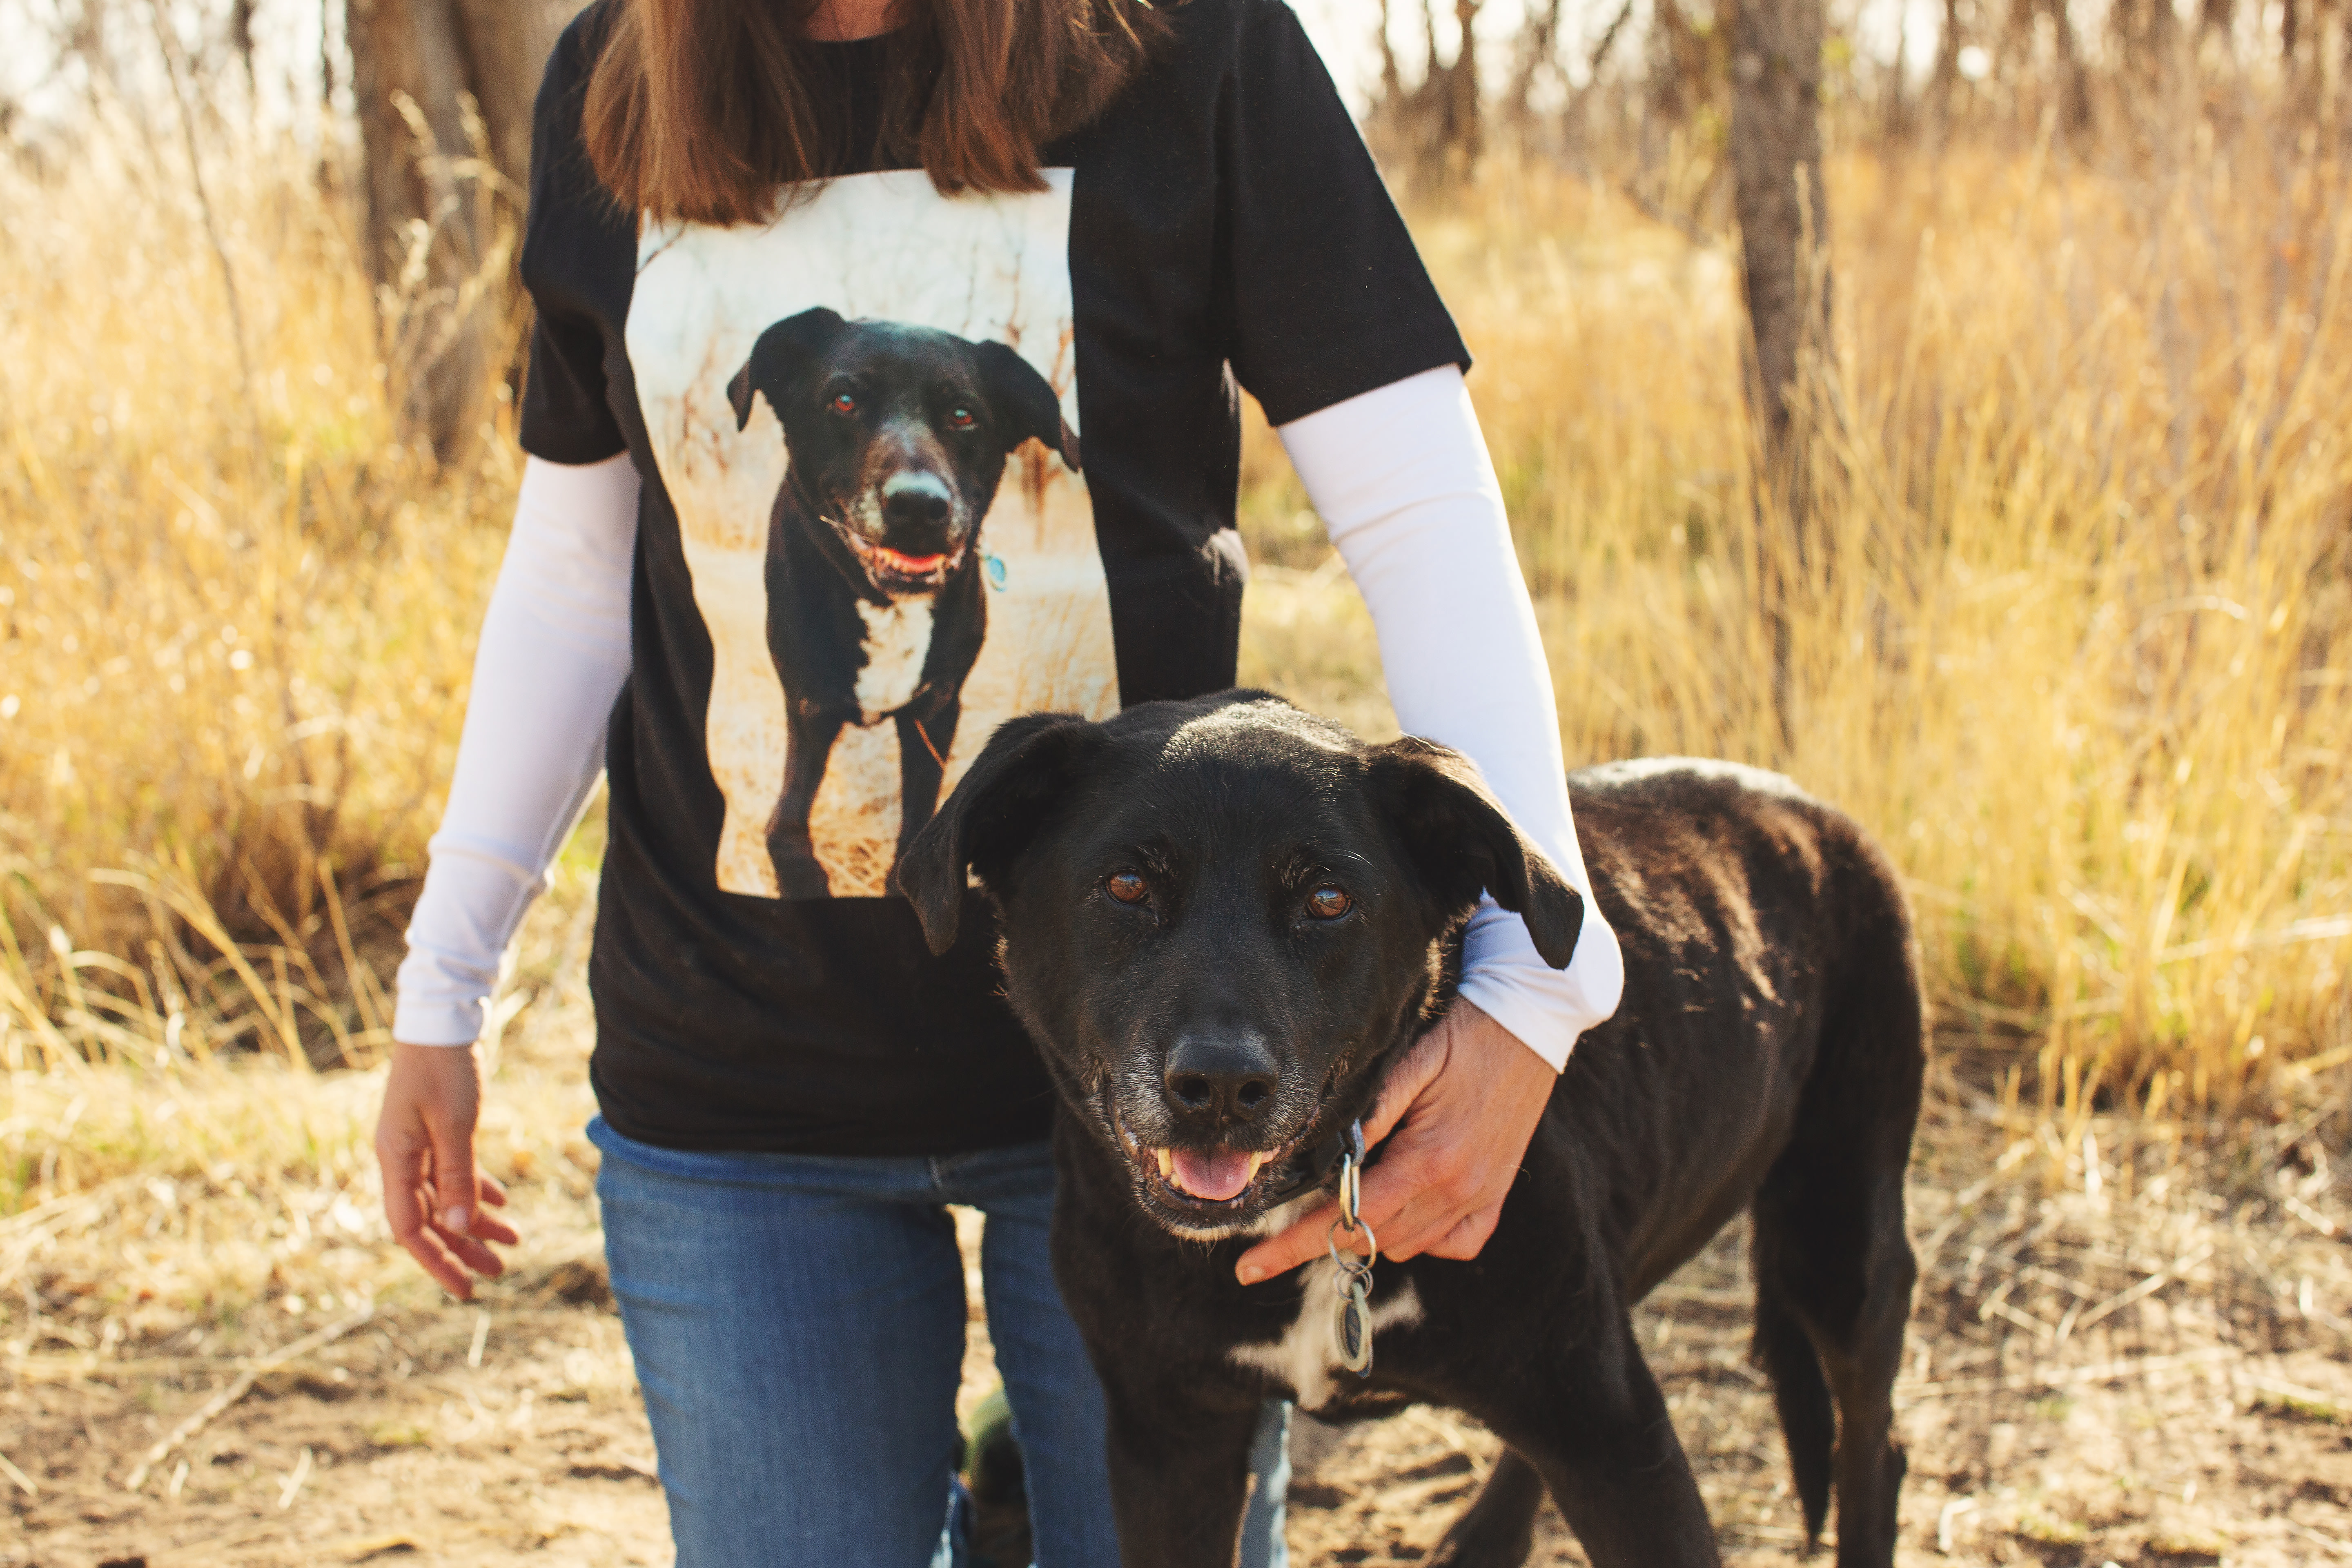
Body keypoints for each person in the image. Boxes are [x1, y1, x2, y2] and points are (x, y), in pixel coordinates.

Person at [371, 0, 1627, 1559]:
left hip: (1175, 1097)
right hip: (738, 1083)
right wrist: (446, 984)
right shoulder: (617, 72)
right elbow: (575, 570)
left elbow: (1421, 508)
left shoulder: (1188, 41)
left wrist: (1530, 995)